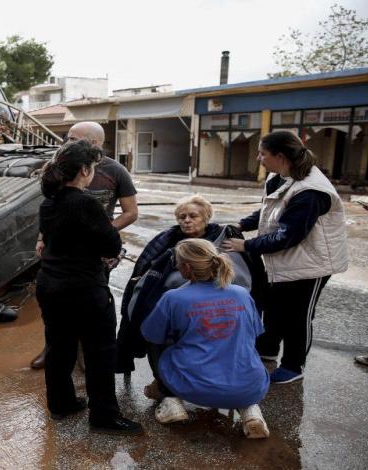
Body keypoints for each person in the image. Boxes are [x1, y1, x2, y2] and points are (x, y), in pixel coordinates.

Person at [223, 130, 348, 384]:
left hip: (312, 263)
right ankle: (268, 348)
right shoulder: (279, 176)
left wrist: (245, 246)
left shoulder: (311, 191)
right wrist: (243, 223)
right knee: (274, 305)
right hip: (284, 258)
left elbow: (288, 236)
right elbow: (272, 211)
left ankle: (293, 365)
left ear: (280, 156)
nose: (258, 158)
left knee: (298, 314)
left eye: (262, 153)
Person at [35, 139, 142, 435]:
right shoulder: (85, 203)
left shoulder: (49, 202)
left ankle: (61, 404)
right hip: (83, 288)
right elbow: (111, 243)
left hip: (50, 285)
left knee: (60, 348)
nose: (93, 172)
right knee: (100, 351)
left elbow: (54, 239)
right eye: (93, 167)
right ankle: (104, 416)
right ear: (84, 170)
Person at [116, 195, 266, 373]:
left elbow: (239, 279)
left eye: (193, 216)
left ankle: (167, 384)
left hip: (211, 312)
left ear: (206, 217)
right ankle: (162, 378)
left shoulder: (225, 242)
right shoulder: (165, 240)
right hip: (176, 312)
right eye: (182, 217)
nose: (186, 221)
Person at [31, 121, 138, 369]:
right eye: (67, 138)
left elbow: (131, 213)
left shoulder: (116, 171)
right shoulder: (62, 166)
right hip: (62, 249)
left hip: (96, 252)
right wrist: (41, 238)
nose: (66, 143)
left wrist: (99, 233)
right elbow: (49, 207)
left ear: (95, 143)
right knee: (57, 306)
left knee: (91, 306)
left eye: (72, 138)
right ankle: (54, 349)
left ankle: (85, 353)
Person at [141, 239, 270, 439]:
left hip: (195, 388)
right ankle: (250, 410)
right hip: (251, 387)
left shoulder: (173, 297)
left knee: (157, 342)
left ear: (185, 268)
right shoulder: (241, 293)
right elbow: (256, 332)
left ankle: (171, 400)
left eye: (177, 262)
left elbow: (151, 334)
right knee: (241, 343)